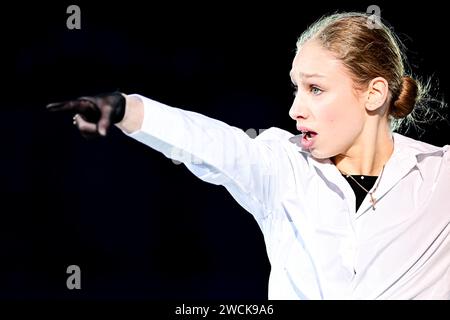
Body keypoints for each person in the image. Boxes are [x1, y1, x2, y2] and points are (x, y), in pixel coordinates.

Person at [47, 12, 450, 299]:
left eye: (315, 89)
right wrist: (126, 108)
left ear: (374, 94)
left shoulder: (439, 178)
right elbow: (212, 144)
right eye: (296, 88)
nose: (295, 109)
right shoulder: (283, 167)